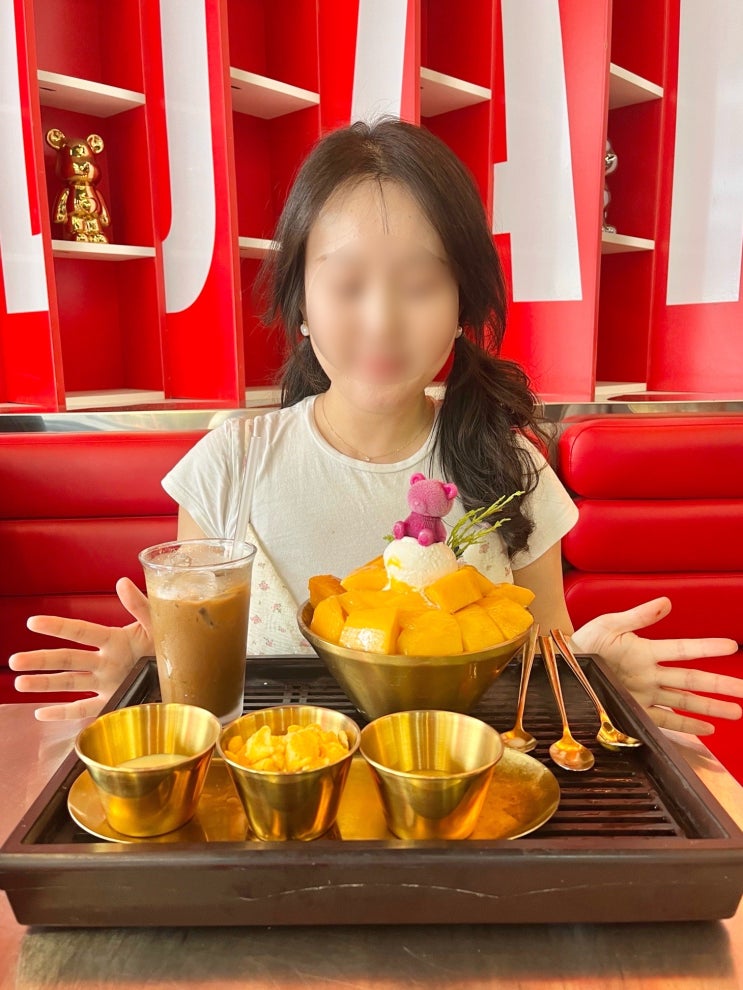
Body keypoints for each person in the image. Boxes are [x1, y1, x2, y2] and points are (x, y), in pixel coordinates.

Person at [9, 118, 742, 734]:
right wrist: (146, 676)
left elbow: (539, 686)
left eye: (418, 284)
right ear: (301, 303)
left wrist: (592, 678)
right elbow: (197, 687)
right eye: (348, 284)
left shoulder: (510, 471)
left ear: (461, 303)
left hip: (456, 821)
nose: (382, 320)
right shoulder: (227, 466)